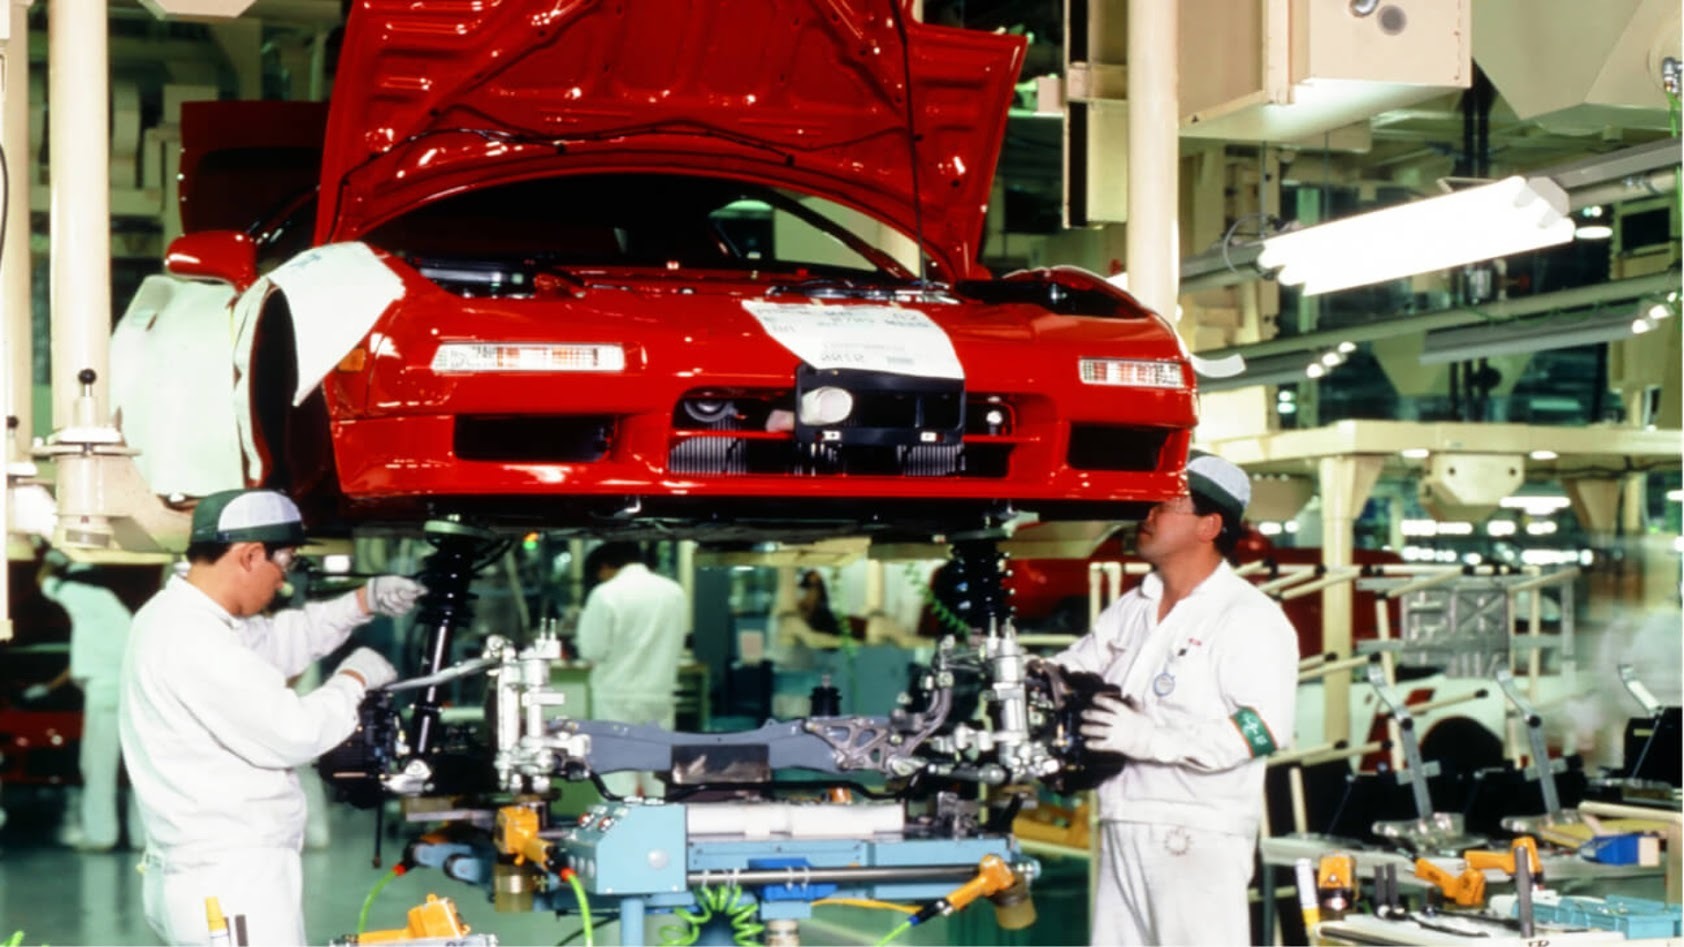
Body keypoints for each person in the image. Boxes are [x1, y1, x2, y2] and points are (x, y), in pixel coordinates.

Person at [119, 488, 426, 945]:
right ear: (250, 555)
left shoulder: (179, 616)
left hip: (207, 869)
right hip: (229, 879)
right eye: (286, 564)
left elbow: (273, 642)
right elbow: (294, 732)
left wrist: (361, 602)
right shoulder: (193, 637)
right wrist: (354, 680)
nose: (283, 583)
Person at [1046, 450, 1298, 946]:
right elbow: (1074, 667)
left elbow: (1264, 728)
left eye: (1164, 504)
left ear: (1209, 526)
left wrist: (1152, 739)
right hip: (1123, 817)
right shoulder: (1134, 606)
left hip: (1196, 835)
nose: (1148, 514)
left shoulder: (1247, 617)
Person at [33, 556, 136, 852]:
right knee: (135, 769)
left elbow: (45, 583)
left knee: (97, 765)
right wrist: (49, 687)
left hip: (103, 694)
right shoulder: (113, 609)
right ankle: (142, 838)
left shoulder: (82, 595)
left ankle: (101, 836)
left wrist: (50, 560)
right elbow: (83, 661)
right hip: (128, 693)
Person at [575, 541, 689, 798]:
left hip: (616, 695)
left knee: (617, 776)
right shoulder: (673, 592)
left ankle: (621, 823)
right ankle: (661, 822)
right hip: (659, 694)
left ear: (605, 566)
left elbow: (592, 650)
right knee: (658, 775)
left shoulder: (606, 594)